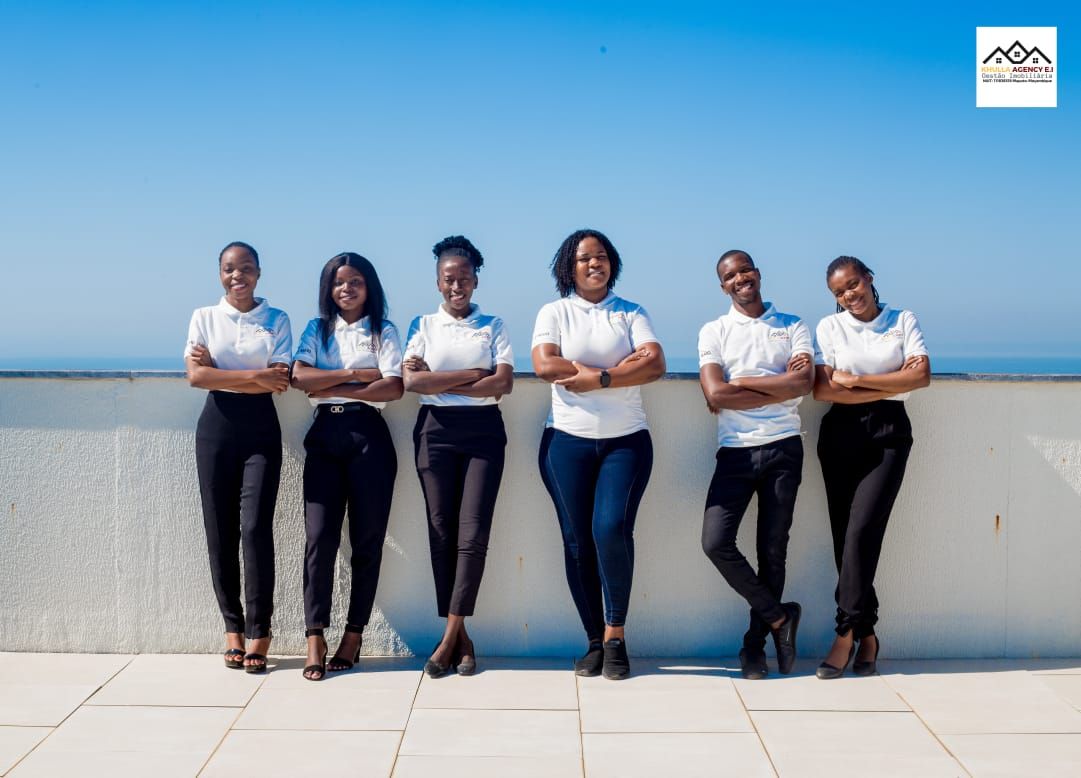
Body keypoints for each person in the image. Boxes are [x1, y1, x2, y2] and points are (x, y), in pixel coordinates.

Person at [532, 228, 666, 680]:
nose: (595, 264)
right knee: (577, 543)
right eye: (585, 258)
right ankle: (594, 641)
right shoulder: (555, 312)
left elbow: (656, 363)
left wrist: (601, 379)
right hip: (565, 442)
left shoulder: (630, 312)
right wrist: (619, 367)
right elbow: (545, 364)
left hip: (625, 441)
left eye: (602, 256)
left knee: (610, 530)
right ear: (569, 267)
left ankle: (616, 635)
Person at [697, 249, 813, 680]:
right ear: (723, 285)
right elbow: (715, 394)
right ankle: (781, 617)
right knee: (715, 542)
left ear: (758, 273)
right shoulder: (715, 331)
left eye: (745, 270)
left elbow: (804, 383)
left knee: (772, 551)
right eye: (730, 275)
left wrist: (741, 382)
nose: (740, 278)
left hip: (784, 448)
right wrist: (775, 385)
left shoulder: (792, 326)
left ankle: (754, 649)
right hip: (735, 451)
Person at [813, 256, 930, 679]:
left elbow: (921, 377)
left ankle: (844, 633)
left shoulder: (902, 320)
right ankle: (869, 634)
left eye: (853, 285)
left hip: (889, 435)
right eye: (839, 292)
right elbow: (825, 390)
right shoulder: (830, 327)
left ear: (869, 279)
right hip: (841, 435)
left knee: (863, 532)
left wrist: (856, 382)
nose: (849, 296)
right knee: (845, 539)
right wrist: (890, 379)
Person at [402, 235, 514, 678]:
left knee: (473, 534)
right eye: (449, 279)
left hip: (484, 433)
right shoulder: (422, 326)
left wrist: (440, 380)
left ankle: (448, 638)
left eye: (464, 278)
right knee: (441, 532)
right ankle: (462, 637)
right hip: (434, 432)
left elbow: (502, 384)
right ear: (437, 281)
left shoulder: (494, 325)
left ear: (475, 280)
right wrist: (472, 375)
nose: (456, 286)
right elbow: (412, 383)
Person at [290, 253, 404, 681]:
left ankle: (353, 634)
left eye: (356, 281)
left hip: (369, 437)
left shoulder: (384, 330)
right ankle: (314, 636)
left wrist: (329, 379)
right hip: (324, 435)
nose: (347, 289)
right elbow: (300, 378)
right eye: (338, 283)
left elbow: (392, 386)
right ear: (328, 289)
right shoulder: (316, 329)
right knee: (318, 537)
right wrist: (357, 376)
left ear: (369, 286)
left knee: (367, 542)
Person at [185, 241, 292, 673]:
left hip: (261, 429)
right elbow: (196, 377)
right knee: (220, 531)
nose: (237, 276)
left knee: (254, 529)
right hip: (216, 429)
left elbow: (279, 383)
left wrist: (225, 373)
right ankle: (232, 630)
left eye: (246, 268)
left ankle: (259, 631)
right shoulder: (203, 318)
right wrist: (255, 374)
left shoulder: (276, 319)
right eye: (229, 269)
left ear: (259, 273)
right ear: (219, 274)